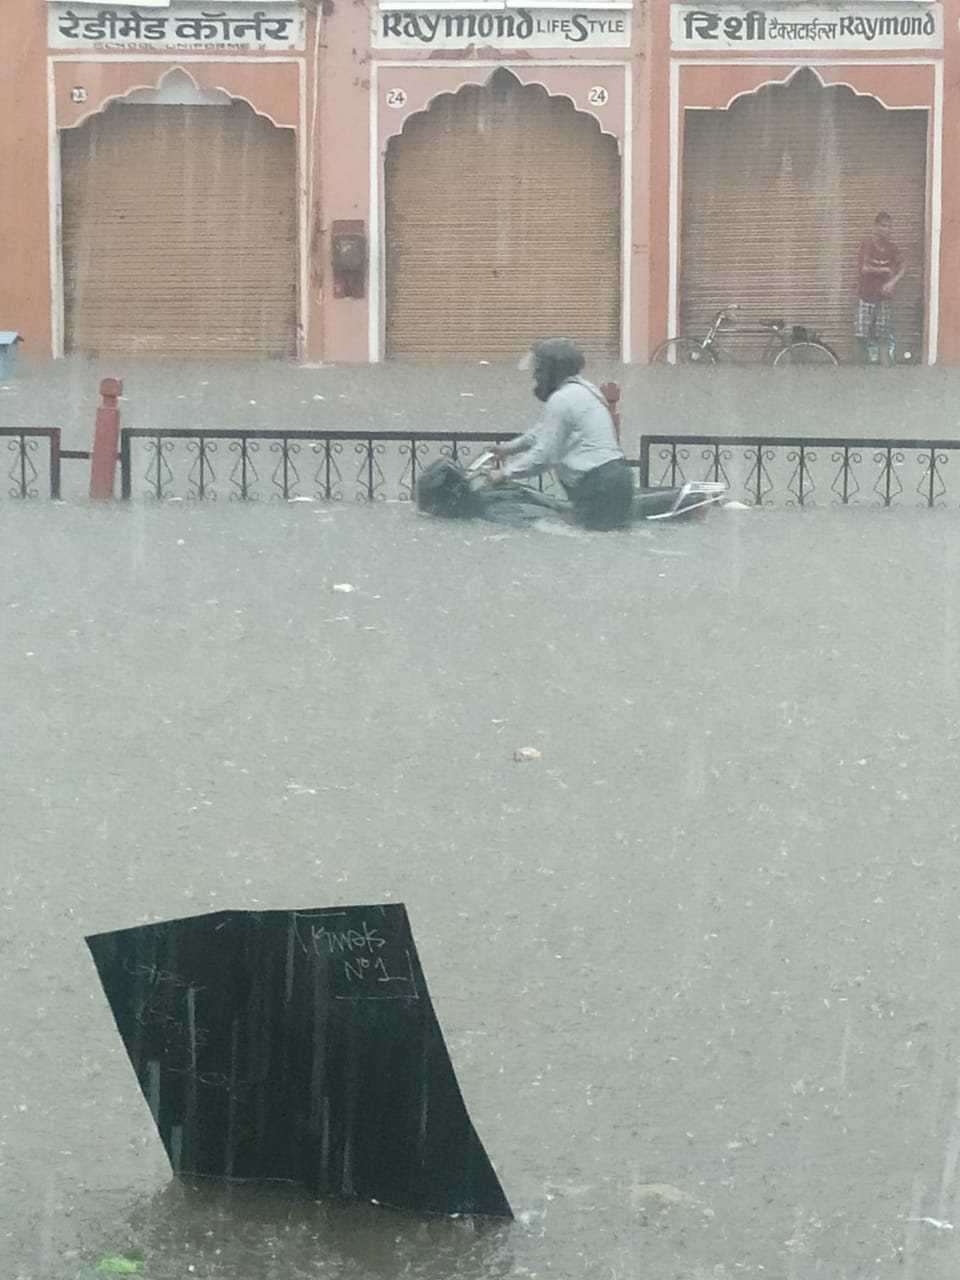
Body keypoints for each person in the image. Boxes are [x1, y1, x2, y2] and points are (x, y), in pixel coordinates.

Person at [487, 338, 634, 531]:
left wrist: (505, 474)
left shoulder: (562, 399)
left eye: (539, 369)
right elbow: (544, 430)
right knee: (606, 541)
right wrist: (510, 448)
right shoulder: (582, 389)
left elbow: (545, 455)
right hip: (616, 476)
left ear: (551, 370)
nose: (536, 376)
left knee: (592, 543)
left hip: (597, 484)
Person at [855, 212, 905, 366]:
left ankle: (885, 371)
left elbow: (903, 267)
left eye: (889, 226)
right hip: (866, 298)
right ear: (876, 227)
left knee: (884, 337)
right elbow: (864, 269)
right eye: (883, 226)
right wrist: (884, 271)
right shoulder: (867, 245)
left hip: (883, 300)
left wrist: (892, 283)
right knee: (861, 337)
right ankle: (857, 371)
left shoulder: (892, 248)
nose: (887, 230)